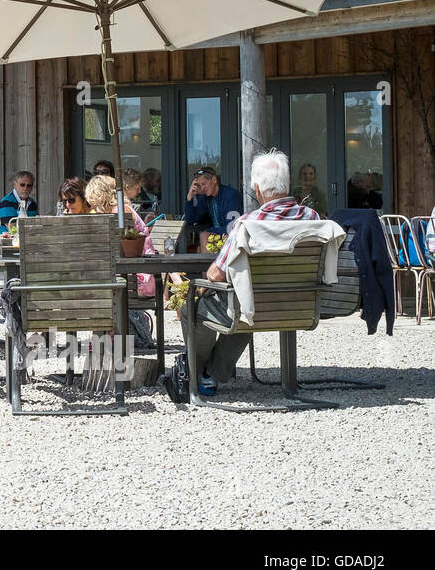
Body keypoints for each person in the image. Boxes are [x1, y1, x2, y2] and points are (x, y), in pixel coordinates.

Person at [174, 150, 323, 397]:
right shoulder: (313, 218)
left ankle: (199, 373)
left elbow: (216, 275)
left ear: (256, 188)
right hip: (299, 304)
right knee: (244, 311)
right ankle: (213, 374)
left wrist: (205, 279)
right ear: (287, 184)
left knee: (197, 307)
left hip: (254, 308)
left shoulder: (248, 224)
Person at [85, 175, 156, 298]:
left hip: (134, 277)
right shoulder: (120, 210)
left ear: (99, 196)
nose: (92, 206)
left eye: (93, 202)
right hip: (133, 273)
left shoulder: (120, 212)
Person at [182, 166, 242, 238]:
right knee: (199, 248)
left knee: (204, 236)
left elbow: (232, 227)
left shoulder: (231, 196)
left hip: (233, 239)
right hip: (218, 239)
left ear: (214, 180)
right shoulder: (206, 198)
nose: (202, 188)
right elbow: (190, 220)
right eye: (199, 185)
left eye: (204, 184)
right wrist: (190, 197)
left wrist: (208, 231)